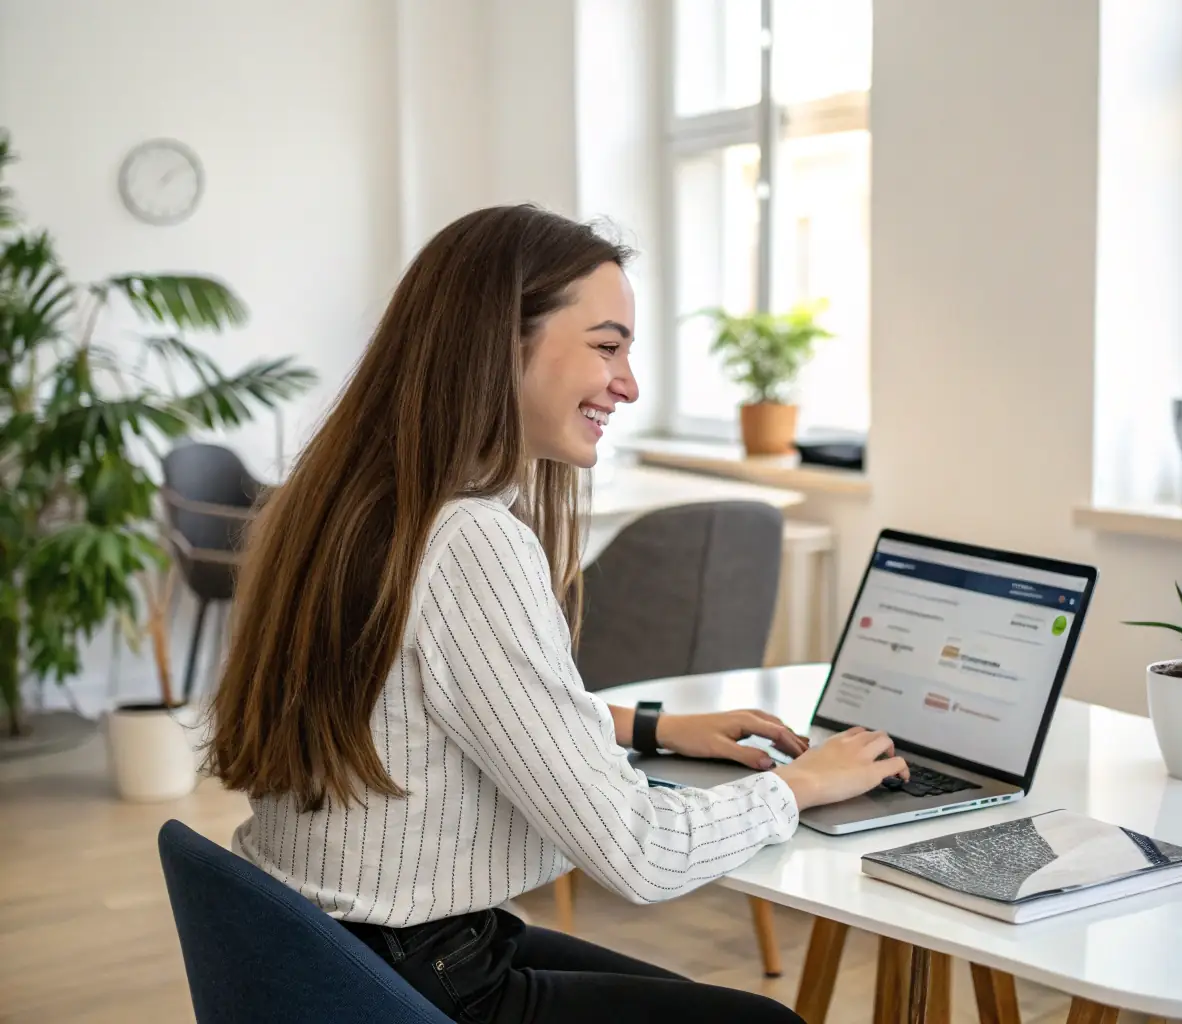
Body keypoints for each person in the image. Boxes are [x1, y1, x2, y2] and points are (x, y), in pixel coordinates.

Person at [207, 205, 908, 1024]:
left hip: (321, 949)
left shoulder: (348, 501)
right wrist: (800, 783)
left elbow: (429, 707)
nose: (629, 384)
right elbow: (640, 854)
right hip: (411, 979)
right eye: (606, 347)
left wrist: (651, 729)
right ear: (499, 344)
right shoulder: (469, 538)